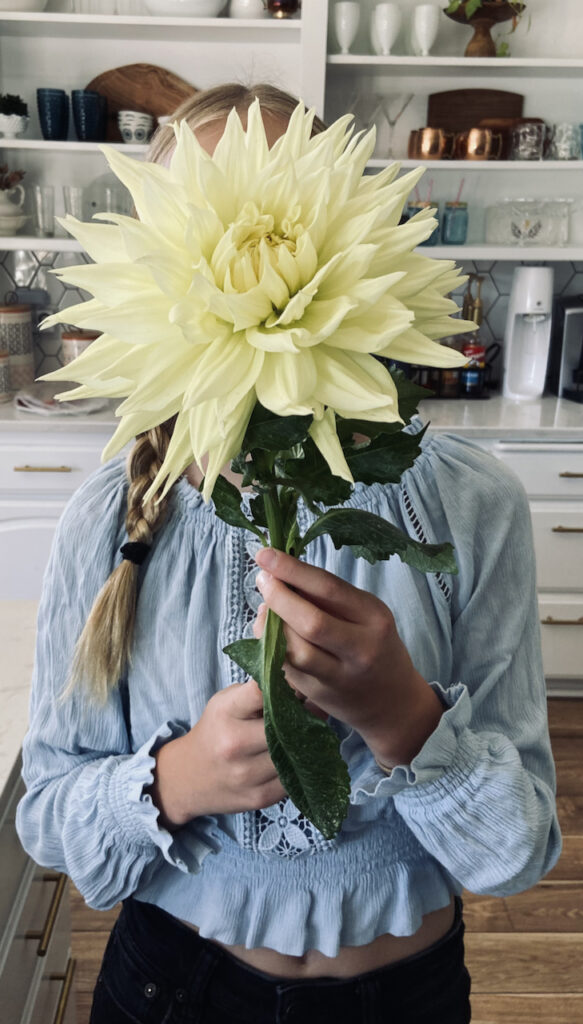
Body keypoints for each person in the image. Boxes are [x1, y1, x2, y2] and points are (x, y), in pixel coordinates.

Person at [16, 83, 561, 1024]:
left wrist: (405, 720)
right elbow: (47, 815)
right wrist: (175, 780)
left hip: (405, 993)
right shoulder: (109, 521)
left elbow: (516, 851)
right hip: (170, 985)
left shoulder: (471, 504)